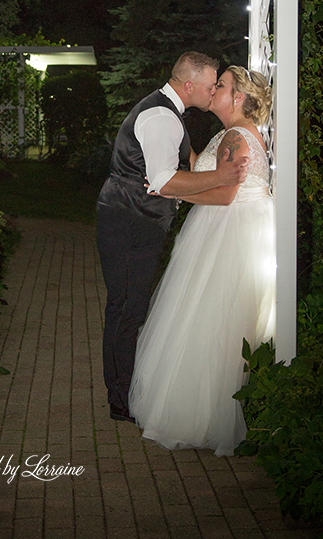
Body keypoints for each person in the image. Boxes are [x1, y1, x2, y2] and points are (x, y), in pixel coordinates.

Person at [128, 66, 276, 455]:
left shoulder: (237, 136)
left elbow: (226, 194)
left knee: (211, 321)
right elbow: (203, 169)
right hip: (221, 230)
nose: (216, 91)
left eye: (223, 86)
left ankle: (201, 414)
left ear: (239, 98)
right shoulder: (231, 134)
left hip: (226, 235)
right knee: (204, 318)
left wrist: (170, 193)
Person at [96, 52, 249, 423]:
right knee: (128, 307)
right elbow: (163, 182)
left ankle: (121, 392)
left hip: (129, 217)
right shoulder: (162, 117)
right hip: (132, 221)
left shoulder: (166, 112)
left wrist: (208, 168)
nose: (213, 90)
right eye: (211, 83)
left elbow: (182, 163)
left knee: (127, 306)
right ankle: (122, 399)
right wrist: (223, 178)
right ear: (190, 85)